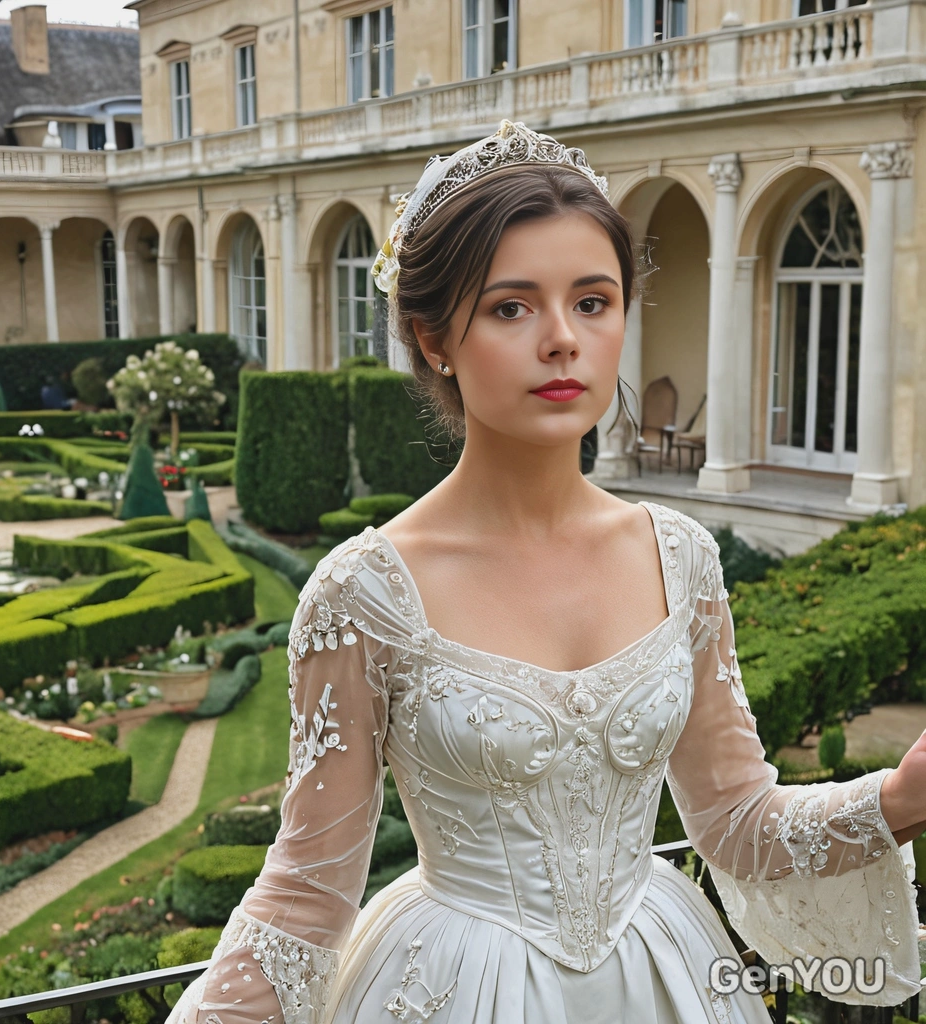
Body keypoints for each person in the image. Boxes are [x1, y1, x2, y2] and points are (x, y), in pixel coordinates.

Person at [167, 121, 926, 1024]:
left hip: (662, 979)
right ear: (433, 337)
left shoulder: (679, 557)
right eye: (511, 307)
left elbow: (736, 824)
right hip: (452, 990)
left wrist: (898, 796)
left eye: (593, 301)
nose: (563, 339)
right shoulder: (362, 593)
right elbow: (304, 896)